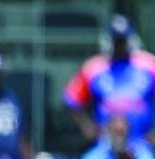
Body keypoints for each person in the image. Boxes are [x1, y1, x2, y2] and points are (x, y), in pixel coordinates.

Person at [63, 14, 155, 146]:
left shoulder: (149, 64)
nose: (120, 46)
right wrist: (87, 128)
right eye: (116, 41)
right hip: (106, 143)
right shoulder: (94, 67)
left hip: (140, 142)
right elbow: (71, 100)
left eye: (123, 41)